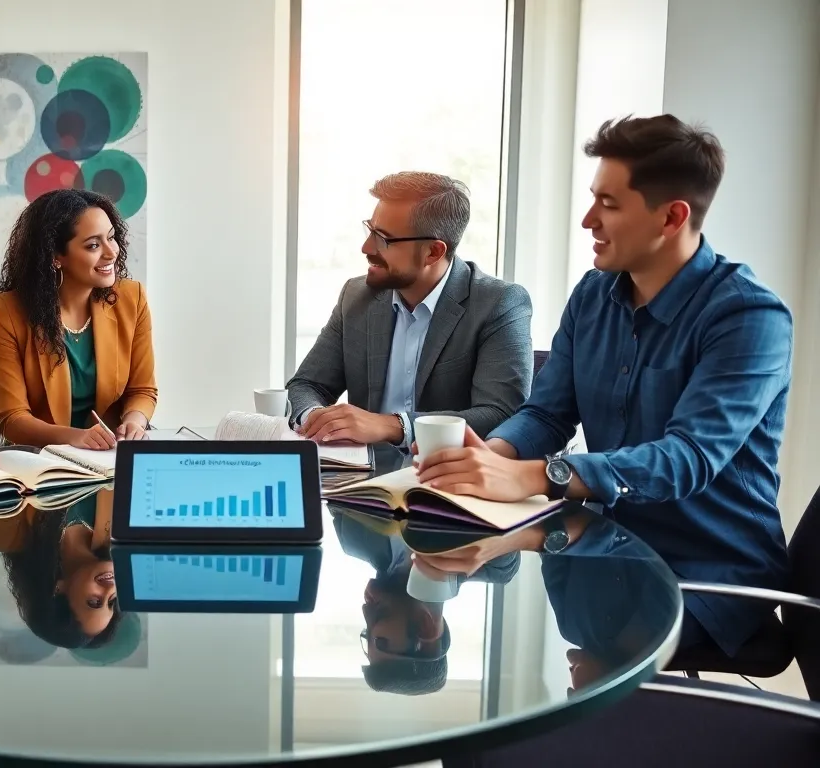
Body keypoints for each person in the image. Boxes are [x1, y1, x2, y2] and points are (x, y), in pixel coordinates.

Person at [415, 115, 792, 659]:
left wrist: (532, 475)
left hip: (707, 574)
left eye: (609, 205)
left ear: (672, 216)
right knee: (498, 634)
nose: (589, 219)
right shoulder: (593, 295)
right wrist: (489, 458)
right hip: (602, 546)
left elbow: (687, 458)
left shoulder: (749, 317)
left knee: (569, 700)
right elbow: (547, 414)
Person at [288, 172, 534, 448]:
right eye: (370, 230)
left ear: (433, 252)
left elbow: (501, 414)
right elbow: (307, 385)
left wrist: (391, 425)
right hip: (360, 475)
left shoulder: (498, 303)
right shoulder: (356, 296)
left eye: (383, 239)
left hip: (445, 477)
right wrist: (318, 420)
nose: (366, 247)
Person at [0, 188, 156, 449]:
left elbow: (142, 390)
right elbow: (12, 417)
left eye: (111, 238)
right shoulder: (8, 310)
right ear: (55, 256)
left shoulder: (131, 298)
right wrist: (74, 437)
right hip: (41, 457)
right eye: (93, 245)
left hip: (109, 454)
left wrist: (135, 422)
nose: (111, 252)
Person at [330, 505, 519, 695]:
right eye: (379, 639)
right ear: (425, 626)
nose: (365, 611)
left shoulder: (351, 536)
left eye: (366, 632)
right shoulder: (495, 563)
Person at [0, 489, 125, 647]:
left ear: (58, 590)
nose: (110, 589)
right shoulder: (123, 532)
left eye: (95, 601)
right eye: (111, 601)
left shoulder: (13, 538)